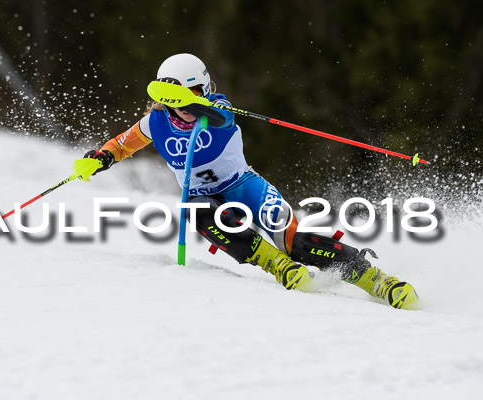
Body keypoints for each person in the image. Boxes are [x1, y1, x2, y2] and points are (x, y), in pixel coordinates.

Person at [74, 53, 419, 310]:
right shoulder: (154, 123)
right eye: (185, 98)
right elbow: (121, 145)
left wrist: (201, 103)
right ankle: (278, 266)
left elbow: (220, 115)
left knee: (292, 238)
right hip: (205, 199)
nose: (193, 104)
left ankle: (376, 280)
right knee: (196, 208)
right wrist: (98, 159)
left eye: (200, 91)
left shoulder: (216, 108)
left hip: (245, 187)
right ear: (166, 100)